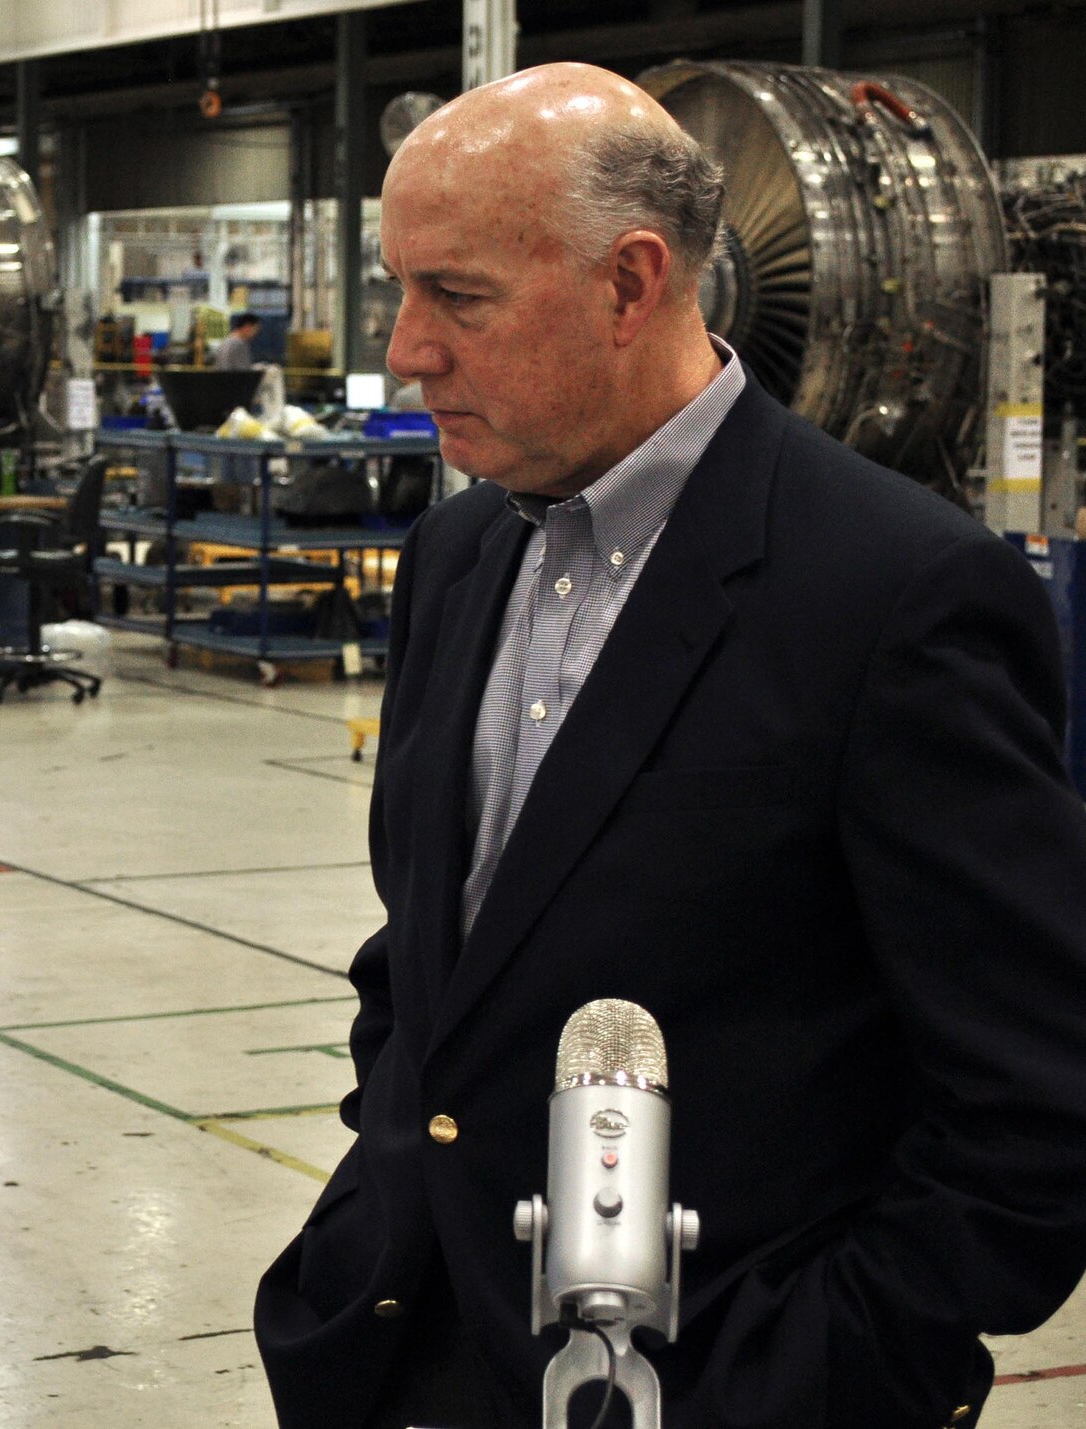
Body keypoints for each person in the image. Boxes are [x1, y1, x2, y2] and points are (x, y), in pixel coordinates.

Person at [253, 62, 1086, 1429]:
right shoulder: (457, 556)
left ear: (632, 285)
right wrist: (389, 1196)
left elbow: (1041, 1100)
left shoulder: (891, 595)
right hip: (413, 1349)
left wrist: (818, 1362)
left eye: (456, 295)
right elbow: (424, 966)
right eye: (400, 287)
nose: (405, 349)